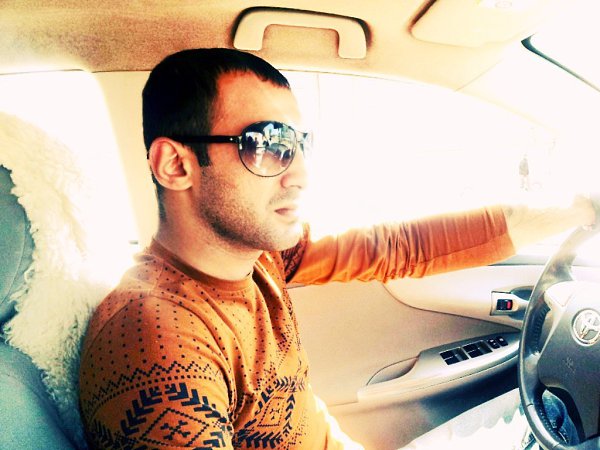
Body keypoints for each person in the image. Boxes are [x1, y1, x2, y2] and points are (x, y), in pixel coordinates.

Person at [78, 48, 597, 449]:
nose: (301, 174)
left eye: (300, 144)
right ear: (175, 165)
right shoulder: (158, 342)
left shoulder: (261, 257)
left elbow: (398, 247)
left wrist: (576, 211)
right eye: (268, 144)